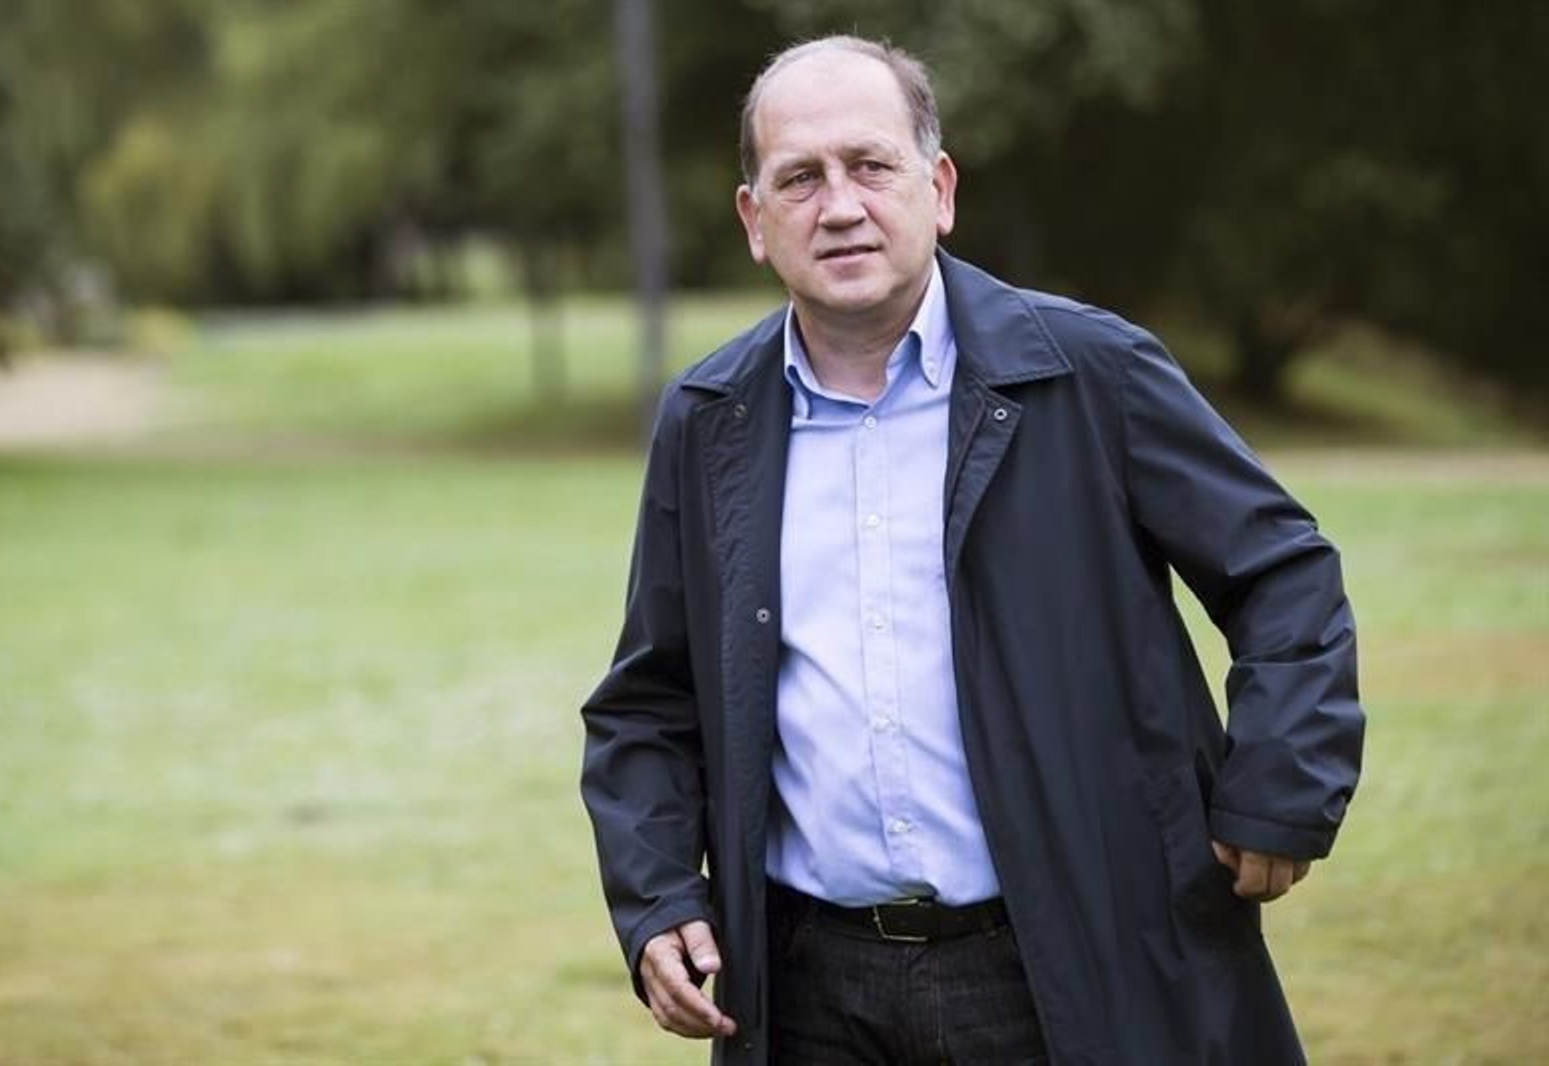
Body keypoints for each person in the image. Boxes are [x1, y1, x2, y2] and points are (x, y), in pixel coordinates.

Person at [581, 34, 1364, 1065]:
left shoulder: (1090, 372)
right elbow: (651, 696)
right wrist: (657, 898)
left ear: (938, 188)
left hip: (1065, 960)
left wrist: (1280, 784)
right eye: (799, 179)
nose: (842, 204)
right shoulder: (708, 420)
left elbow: (1282, 572)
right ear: (754, 222)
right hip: (805, 983)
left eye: (871, 165)